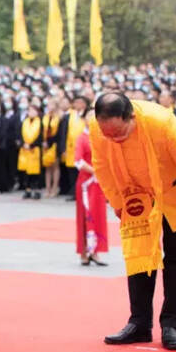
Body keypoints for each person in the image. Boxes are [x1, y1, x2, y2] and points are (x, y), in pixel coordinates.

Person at [91, 92, 176, 351]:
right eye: (109, 136)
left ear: (131, 116)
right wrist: (117, 202)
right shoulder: (97, 128)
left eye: (120, 134)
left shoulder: (162, 122)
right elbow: (100, 165)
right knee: (138, 257)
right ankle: (139, 323)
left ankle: (171, 324)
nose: (115, 140)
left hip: (174, 192)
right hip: (136, 195)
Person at [74, 108, 108, 266]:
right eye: (90, 115)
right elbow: (78, 161)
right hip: (86, 184)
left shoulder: (102, 137)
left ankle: (95, 251)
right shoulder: (81, 138)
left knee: (99, 217)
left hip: (99, 183)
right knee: (84, 217)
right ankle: (83, 252)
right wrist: (95, 171)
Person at [17, 105, 43, 200]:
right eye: (29, 110)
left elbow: (40, 136)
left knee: (35, 172)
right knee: (26, 171)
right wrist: (23, 143)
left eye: (33, 110)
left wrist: (32, 145)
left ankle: (36, 190)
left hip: (35, 149)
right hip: (25, 149)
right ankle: (27, 190)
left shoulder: (40, 122)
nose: (31, 112)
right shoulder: (24, 122)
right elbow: (19, 134)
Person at [42, 99, 62, 198]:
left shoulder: (59, 117)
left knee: (55, 167)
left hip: (55, 143)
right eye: (49, 104)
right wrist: (44, 141)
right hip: (46, 144)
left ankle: (54, 188)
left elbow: (60, 132)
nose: (50, 106)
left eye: (52, 104)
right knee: (47, 167)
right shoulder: (45, 117)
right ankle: (47, 188)